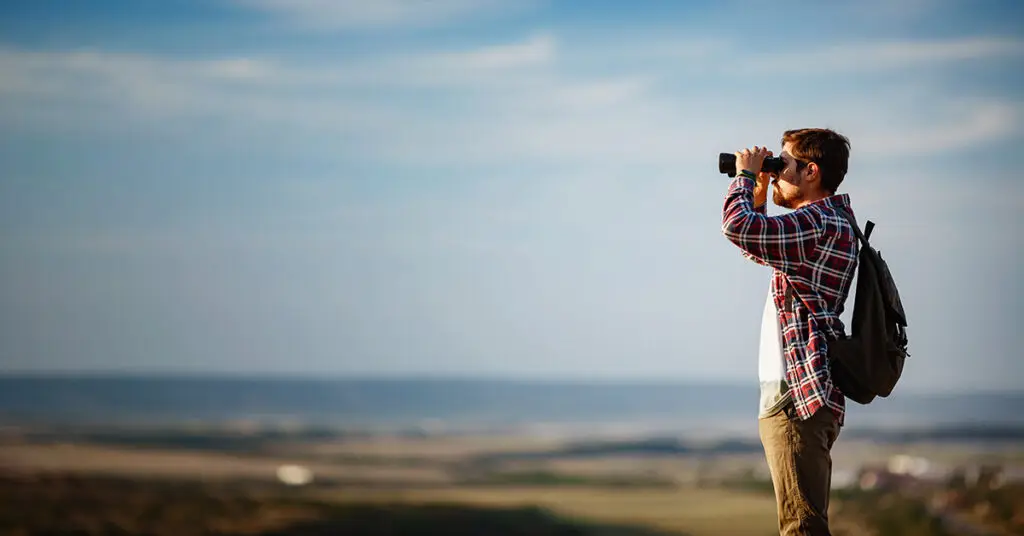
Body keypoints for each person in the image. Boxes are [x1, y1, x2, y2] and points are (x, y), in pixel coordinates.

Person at [721, 128, 858, 535]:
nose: (776, 171)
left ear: (811, 172)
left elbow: (738, 229)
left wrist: (745, 178)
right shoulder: (824, 223)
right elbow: (756, 245)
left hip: (797, 400)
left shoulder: (820, 222)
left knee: (801, 527)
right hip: (797, 396)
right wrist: (761, 191)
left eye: (784, 163)